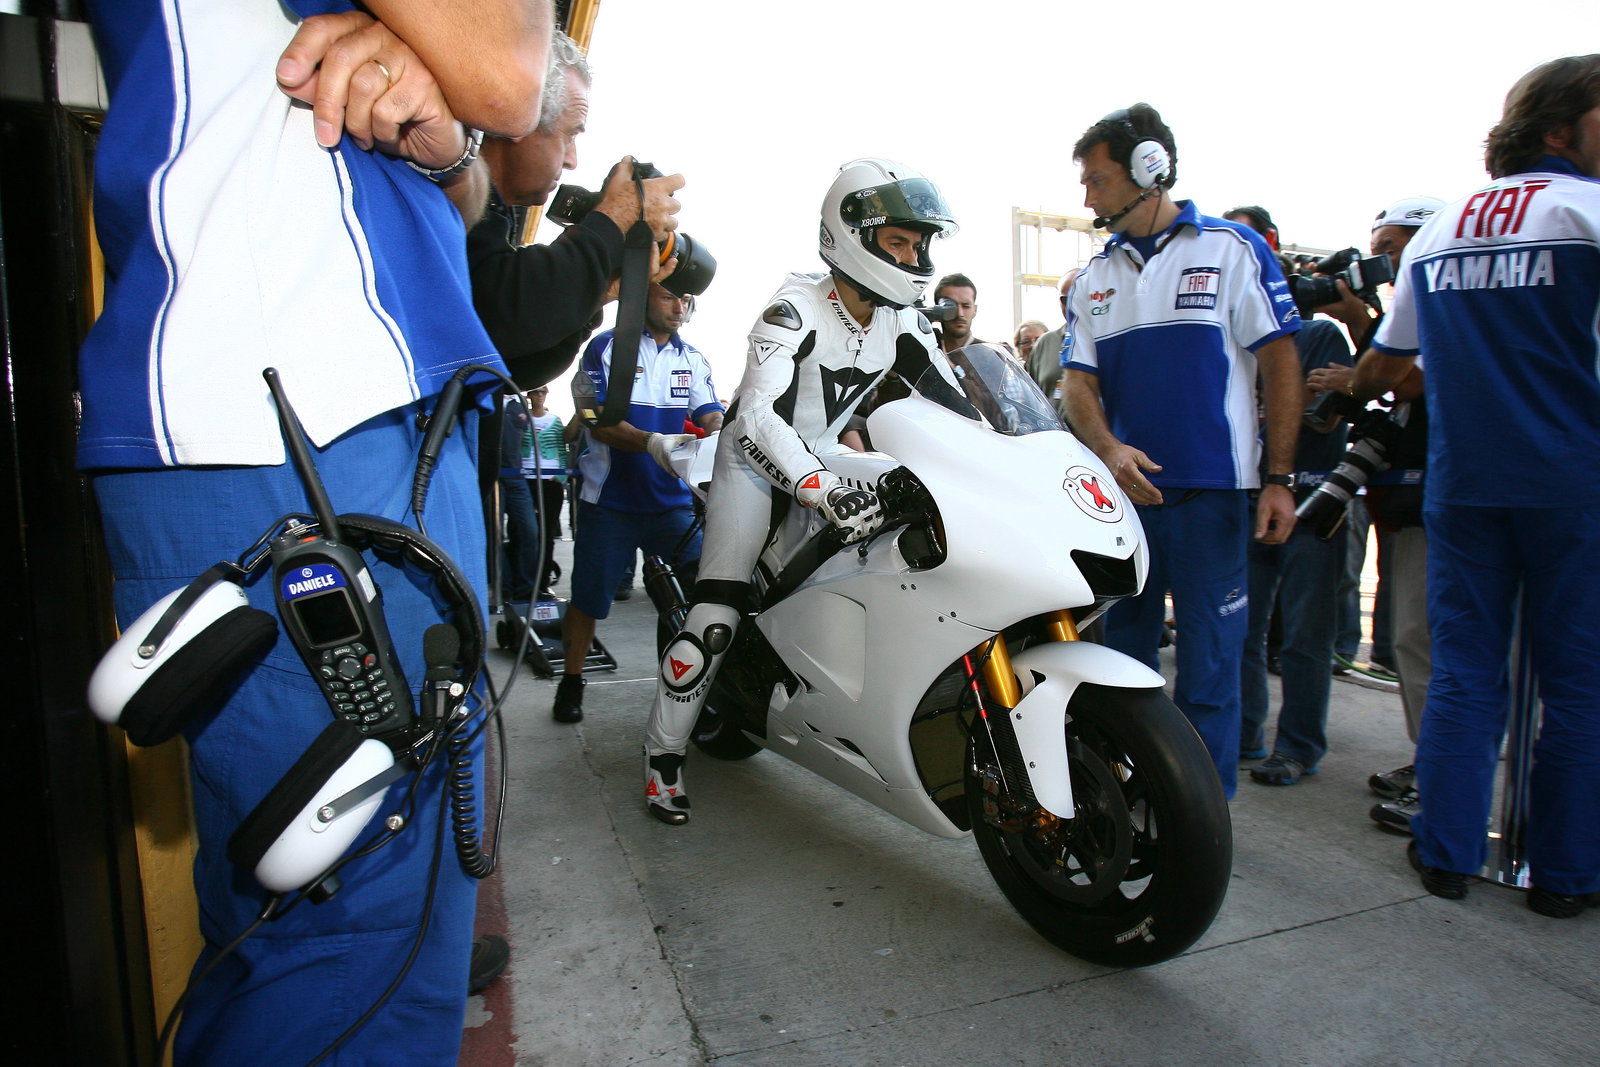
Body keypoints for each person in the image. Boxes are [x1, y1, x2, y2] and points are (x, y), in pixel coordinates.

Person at [80, 3, 548, 1063]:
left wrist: (442, 127)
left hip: (310, 409)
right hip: (296, 418)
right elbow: (511, 68)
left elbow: (473, 151)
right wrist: (470, 85)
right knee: (357, 946)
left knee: (300, 923)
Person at [641, 157, 959, 824]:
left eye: (917, 243)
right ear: (853, 236)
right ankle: (663, 757)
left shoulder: (901, 322)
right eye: (897, 241)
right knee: (716, 616)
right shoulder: (794, 308)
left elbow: (961, 404)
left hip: (826, 463)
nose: (912, 256)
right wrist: (816, 485)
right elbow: (755, 417)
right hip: (755, 465)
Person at [1357, 56, 1600, 915]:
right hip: (1574, 479)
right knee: (1578, 680)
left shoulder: (1443, 227)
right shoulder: (1589, 212)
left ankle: (1448, 851)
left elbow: (1390, 362)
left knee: (1465, 669)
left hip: (1463, 481)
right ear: (1564, 127)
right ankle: (1566, 873)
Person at [1062, 104, 1302, 798]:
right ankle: (1133, 796)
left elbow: (1281, 361)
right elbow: (1077, 382)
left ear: (1149, 168)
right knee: (1120, 662)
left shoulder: (1232, 248)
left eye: (1097, 179)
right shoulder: (1095, 276)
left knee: (1211, 666)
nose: (1088, 196)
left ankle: (1203, 816)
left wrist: (1280, 476)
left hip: (1211, 499)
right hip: (1123, 501)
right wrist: (1107, 447)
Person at [1305, 196, 1446, 829]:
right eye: (1379, 247)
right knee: (1415, 637)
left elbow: (1408, 378)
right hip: (1408, 496)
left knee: (1427, 637)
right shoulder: (1399, 311)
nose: (1381, 261)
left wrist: (1356, 372)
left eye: (1392, 248)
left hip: (1446, 494)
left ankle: (1444, 779)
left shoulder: (1446, 296)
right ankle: (1434, 762)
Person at [468, 30, 684, 387]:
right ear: (519, 115)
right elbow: (499, 312)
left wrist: (598, 294)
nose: (571, 160)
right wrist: (616, 219)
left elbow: (511, 370)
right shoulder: (443, 183)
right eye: (569, 135)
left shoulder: (490, 214)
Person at [551, 283, 724, 723]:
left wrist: (725, 429)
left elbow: (711, 416)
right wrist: (654, 443)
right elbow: (600, 423)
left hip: (671, 504)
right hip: (609, 503)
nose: (679, 306)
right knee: (588, 601)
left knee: (701, 597)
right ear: (642, 299)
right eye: (669, 296)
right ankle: (572, 682)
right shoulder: (605, 349)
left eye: (684, 299)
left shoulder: (693, 359)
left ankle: (690, 688)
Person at [1224, 206, 1353, 786]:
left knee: (1305, 636)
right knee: (1244, 628)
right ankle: (1248, 732)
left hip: (1313, 504)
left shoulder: (1320, 332)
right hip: (1251, 499)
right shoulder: (1231, 334)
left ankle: (1298, 746)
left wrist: (1289, 399)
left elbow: (1327, 420)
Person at [524, 386, 567, 596]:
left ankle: (542, 582)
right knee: (525, 532)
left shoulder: (555, 421)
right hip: (525, 478)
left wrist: (560, 477)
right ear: (529, 395)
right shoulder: (521, 418)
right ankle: (523, 582)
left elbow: (561, 449)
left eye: (542, 392)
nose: (539, 395)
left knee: (547, 534)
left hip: (550, 481)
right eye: (535, 392)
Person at [1029, 269, 1078, 403]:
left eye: (1077, 297)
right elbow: (1032, 399)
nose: (1071, 305)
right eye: (1065, 299)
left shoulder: (1109, 343)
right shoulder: (1045, 343)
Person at [932, 272, 983, 353]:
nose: (960, 314)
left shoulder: (990, 356)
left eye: (966, 306)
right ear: (938, 309)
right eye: (951, 306)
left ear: (974, 310)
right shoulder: (923, 352)